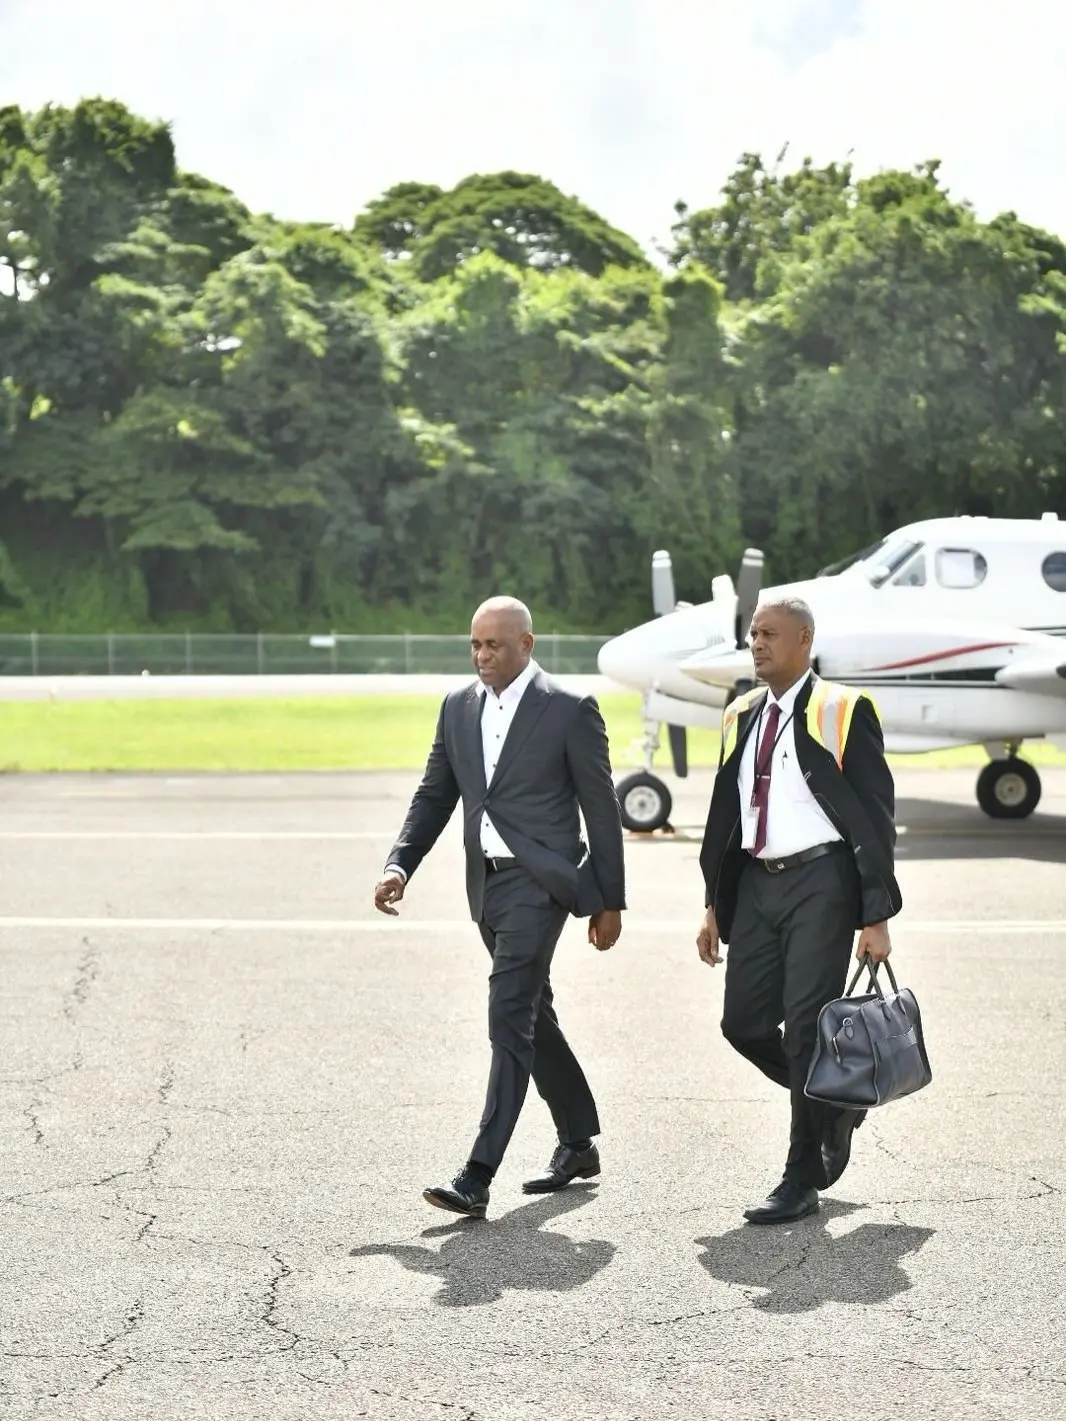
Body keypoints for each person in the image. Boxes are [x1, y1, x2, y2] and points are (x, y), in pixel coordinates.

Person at [373, 596, 626, 1219]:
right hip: (484, 886)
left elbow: (601, 810)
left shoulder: (568, 710)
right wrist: (400, 863)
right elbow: (435, 794)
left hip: (541, 887)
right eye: (475, 645)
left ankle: (477, 1173)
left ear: (527, 645)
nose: (483, 656)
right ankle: (577, 1140)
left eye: (495, 645)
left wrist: (608, 899)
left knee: (507, 1013)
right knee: (533, 1014)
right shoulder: (458, 708)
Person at [696, 596, 902, 1224]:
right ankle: (836, 1106)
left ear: (805, 640)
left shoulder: (842, 710)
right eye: (753, 634)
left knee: (807, 1024)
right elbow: (724, 815)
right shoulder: (740, 714)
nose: (757, 644)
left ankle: (800, 1175)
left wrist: (875, 914)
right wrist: (713, 905)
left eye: (770, 634)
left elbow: (876, 815)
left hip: (823, 881)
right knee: (743, 1024)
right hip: (758, 884)